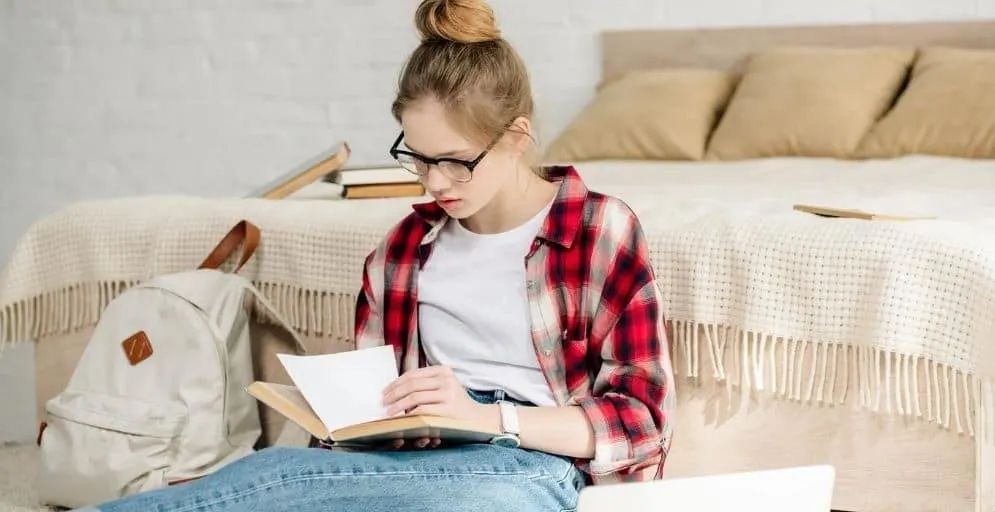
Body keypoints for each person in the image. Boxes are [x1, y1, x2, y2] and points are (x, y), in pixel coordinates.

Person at [75, 0, 674, 510]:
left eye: (455, 160)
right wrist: (363, 422)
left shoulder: (599, 230)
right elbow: (368, 407)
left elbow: (642, 420)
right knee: (266, 479)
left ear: (517, 136)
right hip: (419, 454)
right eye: (417, 157)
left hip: (531, 461)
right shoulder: (403, 250)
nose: (435, 183)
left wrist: (487, 419)